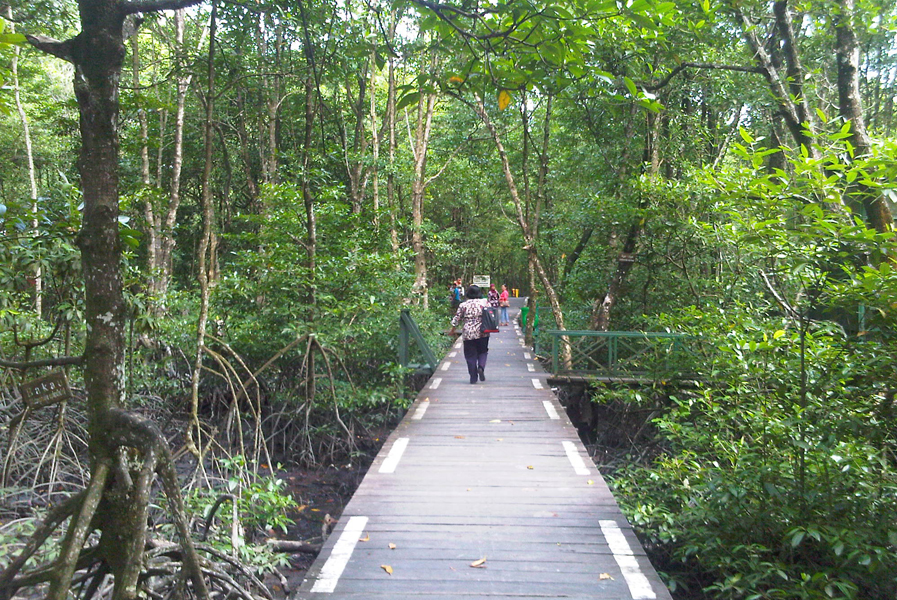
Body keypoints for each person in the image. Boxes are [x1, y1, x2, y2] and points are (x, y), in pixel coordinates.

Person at [449, 285, 491, 384]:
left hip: (468, 333)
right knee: (483, 351)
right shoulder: (485, 303)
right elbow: (491, 314)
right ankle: (481, 367)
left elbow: (457, 319)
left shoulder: (463, 305)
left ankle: (473, 377)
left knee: (470, 355)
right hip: (483, 332)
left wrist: (452, 330)